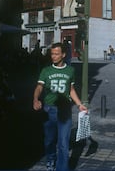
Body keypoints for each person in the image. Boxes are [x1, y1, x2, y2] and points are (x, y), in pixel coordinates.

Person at [33, 42, 88, 171]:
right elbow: (39, 87)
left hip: (65, 111)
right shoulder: (46, 70)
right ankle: (51, 160)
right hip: (49, 110)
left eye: (56, 54)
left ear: (63, 55)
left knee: (63, 144)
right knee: (49, 141)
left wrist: (80, 104)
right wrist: (35, 99)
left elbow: (71, 90)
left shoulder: (70, 70)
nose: (53, 56)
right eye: (52, 53)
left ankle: (62, 168)